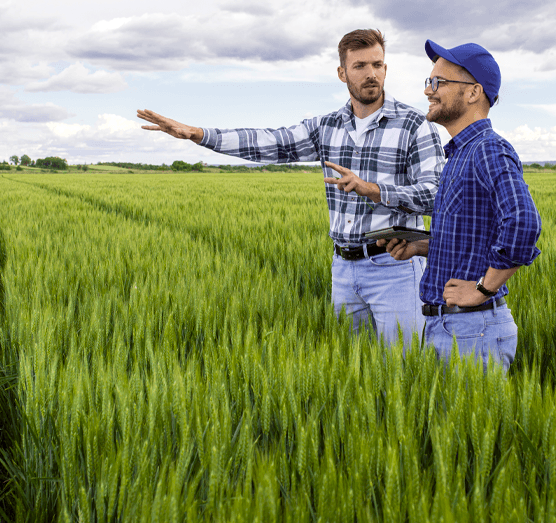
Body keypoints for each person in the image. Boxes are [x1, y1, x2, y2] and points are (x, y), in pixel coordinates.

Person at [137, 29, 445, 350]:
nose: (371, 74)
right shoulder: (326, 127)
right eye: (360, 66)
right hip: (343, 270)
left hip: (395, 269)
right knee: (350, 368)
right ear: (342, 73)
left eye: (378, 65)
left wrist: (375, 190)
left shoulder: (413, 125)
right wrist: (198, 134)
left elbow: (437, 195)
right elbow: (269, 141)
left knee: (404, 372)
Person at [380, 39, 541, 372]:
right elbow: (472, 235)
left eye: (439, 82)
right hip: (452, 328)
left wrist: (484, 288)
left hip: (473, 331)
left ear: (473, 93)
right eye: (429, 81)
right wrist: (421, 246)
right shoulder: (459, 154)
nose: (428, 91)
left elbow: (524, 223)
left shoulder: (487, 149)